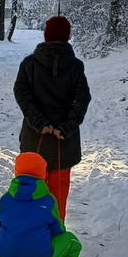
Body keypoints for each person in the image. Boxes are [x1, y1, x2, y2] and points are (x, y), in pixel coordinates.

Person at [13, 15, 91, 220]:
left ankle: (26, 240)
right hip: (63, 144)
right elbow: (82, 100)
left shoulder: (29, 64)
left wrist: (39, 122)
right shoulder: (75, 66)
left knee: (28, 195)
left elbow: (22, 94)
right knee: (57, 201)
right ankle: (54, 245)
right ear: (68, 36)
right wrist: (65, 127)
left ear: (46, 35)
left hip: (33, 141)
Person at [0, 151, 81, 257]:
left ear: (16, 171)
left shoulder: (6, 199)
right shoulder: (48, 200)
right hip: (41, 255)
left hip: (6, 252)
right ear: (42, 173)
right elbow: (58, 229)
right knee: (72, 242)